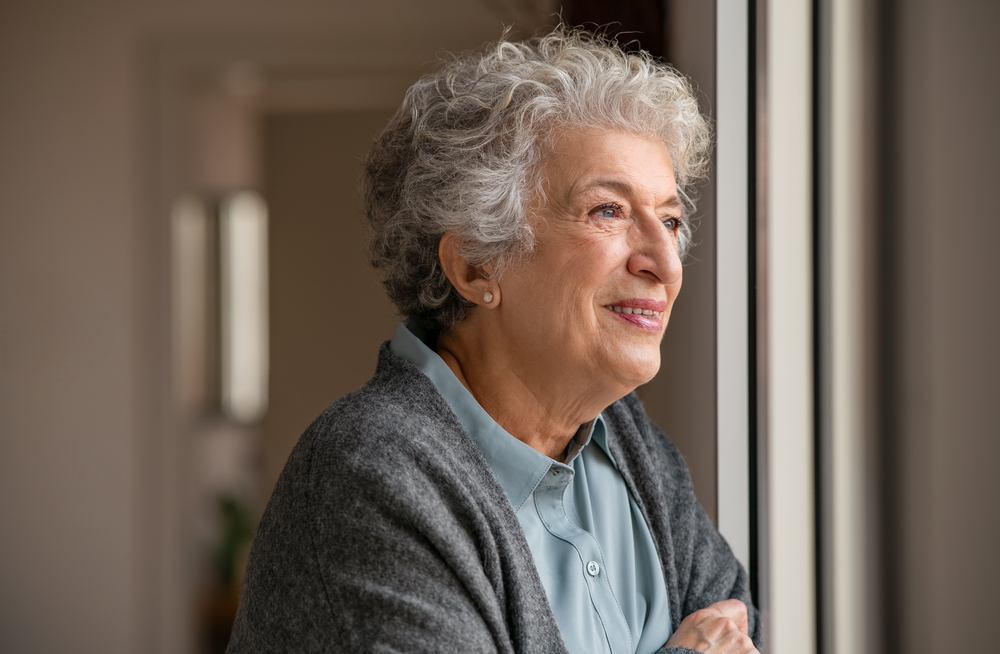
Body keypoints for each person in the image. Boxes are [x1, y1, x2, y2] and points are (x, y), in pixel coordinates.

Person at [227, 26, 761, 654]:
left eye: (668, 220)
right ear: (478, 265)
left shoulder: (630, 445)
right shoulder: (373, 472)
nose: (665, 263)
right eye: (608, 212)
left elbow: (740, 626)